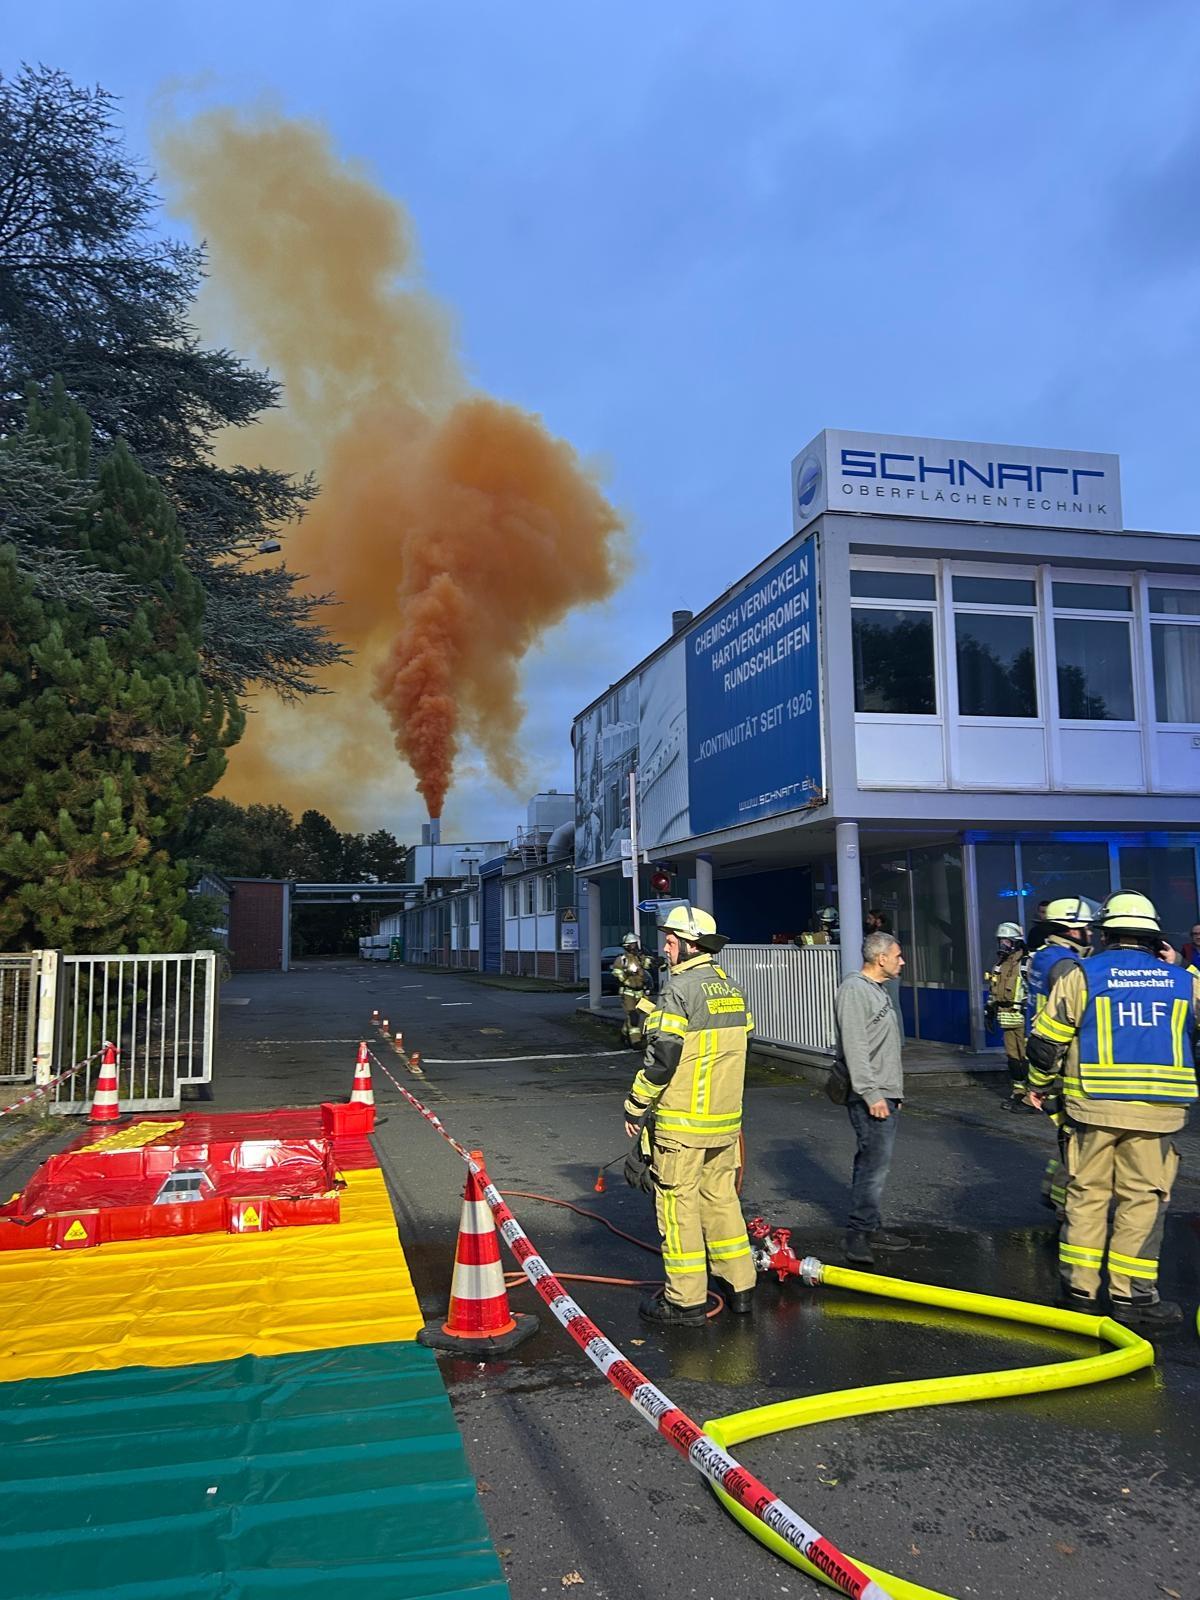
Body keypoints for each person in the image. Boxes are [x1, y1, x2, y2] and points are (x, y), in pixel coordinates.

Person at [1027, 892, 1200, 1329]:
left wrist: (1038, 1086)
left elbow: (1046, 1043)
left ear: (1104, 934)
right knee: (1141, 1201)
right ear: (1155, 938)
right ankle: (1133, 1298)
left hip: (1092, 1109)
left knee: (1086, 1196)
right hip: (1157, 1114)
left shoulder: (1082, 975)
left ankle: (1079, 1293)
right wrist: (1180, 965)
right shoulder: (1182, 981)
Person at [623, 905, 755, 1326]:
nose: (665, 948)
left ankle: (685, 1301)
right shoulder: (732, 988)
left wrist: (635, 1104)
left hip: (683, 1125)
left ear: (691, 945)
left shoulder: (678, 991)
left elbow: (663, 1058)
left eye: (671, 941)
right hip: (725, 1122)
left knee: (678, 1208)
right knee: (721, 1200)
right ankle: (740, 1287)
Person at [835, 930, 909, 1267]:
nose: (902, 962)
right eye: (897, 956)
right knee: (873, 1165)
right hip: (871, 1095)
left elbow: (884, 1048)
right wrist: (871, 1093)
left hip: (885, 1092)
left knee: (873, 1161)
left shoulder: (878, 990)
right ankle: (858, 1233)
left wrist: (895, 1092)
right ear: (881, 958)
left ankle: (870, 1225)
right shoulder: (854, 990)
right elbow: (856, 1047)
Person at [1024, 897, 1095, 1207]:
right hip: (1063, 1059)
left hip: (1046, 1053)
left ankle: (1053, 1192)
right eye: (1086, 928)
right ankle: (1066, 1206)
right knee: (1077, 1140)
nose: (1091, 933)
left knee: (1068, 1135)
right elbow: (1072, 1013)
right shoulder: (1067, 965)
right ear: (1071, 930)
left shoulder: (1044, 956)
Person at [985, 922, 1029, 1110]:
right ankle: (1018, 1092)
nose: (1003, 945)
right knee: (1013, 1057)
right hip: (1006, 1016)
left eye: (1007, 941)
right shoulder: (999, 965)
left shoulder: (1026, 964)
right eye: (1001, 941)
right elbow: (993, 990)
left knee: (1027, 1057)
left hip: (1024, 1017)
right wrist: (989, 1010)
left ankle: (1033, 1096)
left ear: (1016, 942)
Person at [611, 933, 653, 1046]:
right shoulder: (622, 960)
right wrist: (626, 977)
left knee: (647, 1013)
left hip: (641, 992)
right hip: (628, 993)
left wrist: (656, 961)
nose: (635, 947)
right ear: (626, 946)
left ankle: (624, 1033)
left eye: (635, 944)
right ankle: (635, 1041)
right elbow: (616, 973)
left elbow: (648, 964)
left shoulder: (639, 957)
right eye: (632, 945)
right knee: (633, 1016)